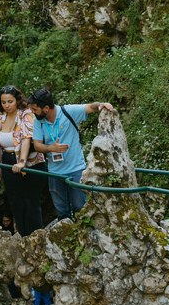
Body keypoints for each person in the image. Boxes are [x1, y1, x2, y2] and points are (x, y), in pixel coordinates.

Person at [27, 88, 113, 221]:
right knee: (61, 211)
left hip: (76, 169)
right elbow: (37, 145)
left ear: (46, 108)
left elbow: (90, 107)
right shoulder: (38, 122)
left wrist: (101, 105)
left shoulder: (67, 112)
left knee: (80, 208)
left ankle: (83, 232)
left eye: (34, 109)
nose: (32, 112)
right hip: (55, 173)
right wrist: (51, 148)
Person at [0, 86, 45, 237]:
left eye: (10, 101)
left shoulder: (26, 115)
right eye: (3, 102)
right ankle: (22, 236)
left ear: (17, 100)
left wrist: (22, 162)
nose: (7, 105)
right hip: (8, 161)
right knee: (16, 202)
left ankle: (35, 238)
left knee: (31, 202)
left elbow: (26, 138)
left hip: (31, 162)